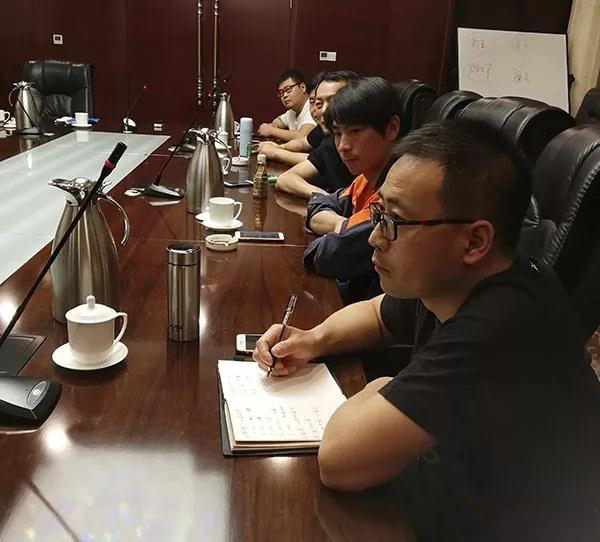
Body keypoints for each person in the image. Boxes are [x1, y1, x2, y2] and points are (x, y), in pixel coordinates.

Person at [254, 120, 600, 541]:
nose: (374, 238)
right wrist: (313, 339)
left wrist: (383, 385)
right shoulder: (454, 278)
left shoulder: (503, 326)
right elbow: (379, 313)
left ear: (474, 242)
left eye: (394, 221)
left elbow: (340, 461)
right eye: (378, 213)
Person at [303, 76, 401, 303]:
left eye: (355, 131)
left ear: (392, 128)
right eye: (338, 133)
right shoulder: (365, 178)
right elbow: (318, 203)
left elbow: (324, 255)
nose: (343, 146)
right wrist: (343, 225)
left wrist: (337, 232)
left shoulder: (396, 195)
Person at [275, 71, 359, 197]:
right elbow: (285, 179)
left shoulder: (373, 145)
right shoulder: (329, 144)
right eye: (318, 103)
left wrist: (276, 152)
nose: (322, 110)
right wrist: (328, 199)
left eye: (334, 101)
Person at [261, 71, 358, 169]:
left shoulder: (343, 136)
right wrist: (279, 147)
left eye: (332, 101)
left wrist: (275, 152)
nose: (320, 110)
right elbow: (304, 142)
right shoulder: (323, 128)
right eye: (314, 102)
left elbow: (317, 161)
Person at [257, 69, 316, 143]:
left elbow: (302, 136)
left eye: (288, 90)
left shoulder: (313, 107)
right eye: (281, 93)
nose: (285, 95)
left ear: (303, 87)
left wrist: (271, 131)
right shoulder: (292, 112)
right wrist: (273, 125)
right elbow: (279, 121)